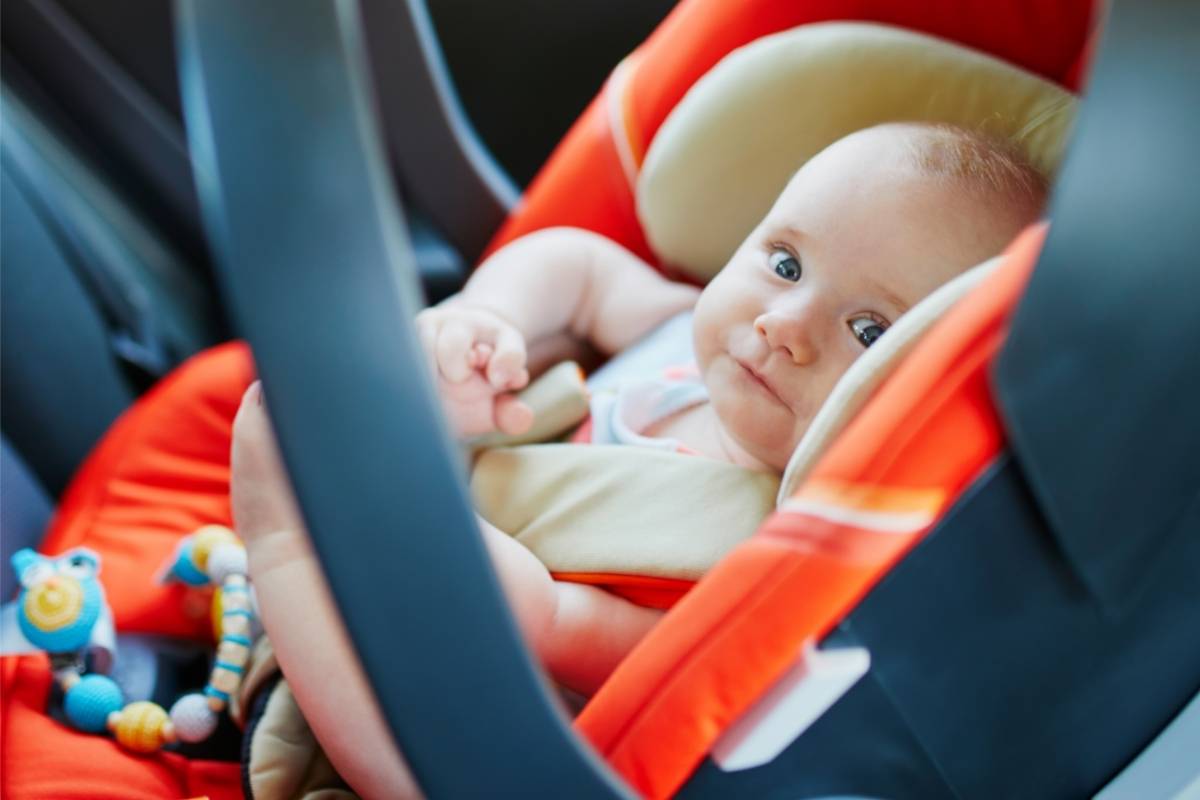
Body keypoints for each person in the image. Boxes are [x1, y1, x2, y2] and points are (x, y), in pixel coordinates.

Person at [231, 122, 1047, 797]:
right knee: (310, 391)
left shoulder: (772, 563)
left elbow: (562, 628)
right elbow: (579, 269)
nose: (784, 324)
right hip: (396, 550)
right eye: (786, 262)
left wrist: (422, 527)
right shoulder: (678, 330)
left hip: (457, 724)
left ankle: (284, 542)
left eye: (869, 331)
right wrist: (486, 317)